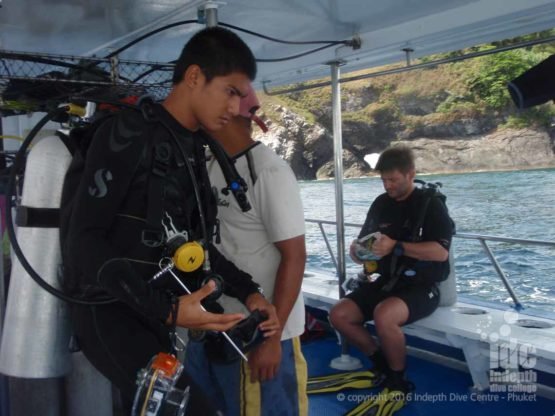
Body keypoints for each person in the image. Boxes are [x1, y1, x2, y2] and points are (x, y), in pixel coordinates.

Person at [64, 27, 278, 414]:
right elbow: (84, 239)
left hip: (155, 314)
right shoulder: (127, 134)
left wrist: (250, 292)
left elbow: (196, 246)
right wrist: (169, 311)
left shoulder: (192, 148)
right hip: (109, 313)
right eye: (231, 91)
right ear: (195, 76)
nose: (236, 108)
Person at [183, 86, 308, 416]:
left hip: (262, 333)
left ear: (229, 113)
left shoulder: (269, 172)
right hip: (218, 321)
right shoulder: (212, 166)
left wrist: (270, 339)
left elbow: (295, 257)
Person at [329, 146, 454, 414]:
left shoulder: (431, 205)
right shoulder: (381, 203)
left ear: (410, 174)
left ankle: (399, 380)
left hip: (422, 287)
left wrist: (396, 247)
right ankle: (382, 366)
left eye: (393, 180)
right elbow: (366, 245)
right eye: (383, 180)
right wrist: (358, 251)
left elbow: (440, 252)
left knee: (384, 315)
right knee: (339, 314)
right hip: (387, 281)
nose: (387, 186)